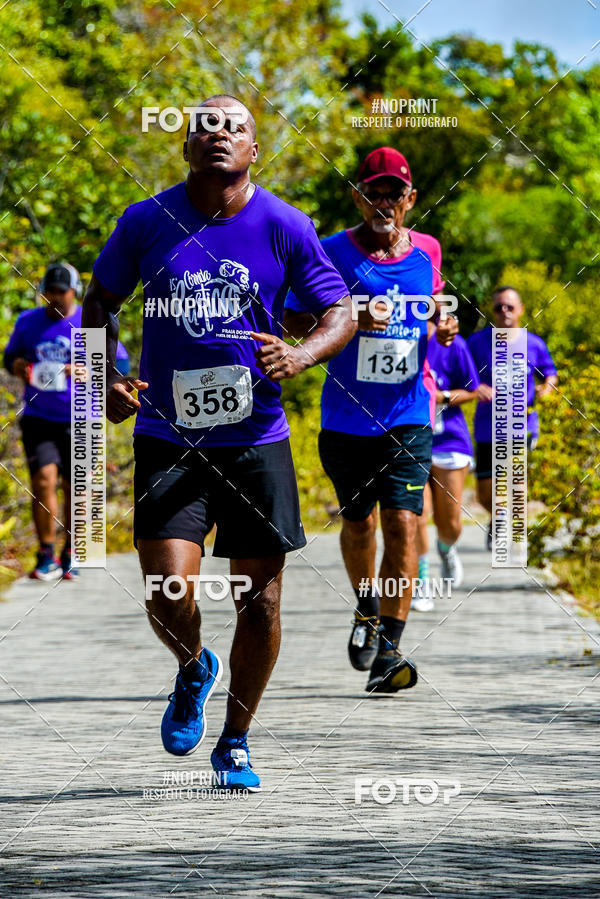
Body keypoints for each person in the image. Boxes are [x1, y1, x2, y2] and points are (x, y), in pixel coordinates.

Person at [82, 95, 354, 791]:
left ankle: (235, 739)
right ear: (185, 146)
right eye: (204, 125)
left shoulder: (285, 225)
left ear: (253, 151)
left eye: (234, 127)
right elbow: (97, 304)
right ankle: (194, 663)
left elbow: (339, 309)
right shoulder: (146, 221)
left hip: (256, 438)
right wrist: (108, 376)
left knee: (259, 599)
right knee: (169, 587)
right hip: (167, 436)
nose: (218, 135)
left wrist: (301, 355)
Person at [286, 146, 457, 693]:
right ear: (358, 195)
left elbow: (433, 303)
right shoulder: (332, 250)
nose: (383, 202)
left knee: (403, 524)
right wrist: (353, 314)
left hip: (410, 412)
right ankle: (365, 604)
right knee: (358, 526)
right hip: (346, 418)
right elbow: (289, 314)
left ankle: (391, 647)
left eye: (394, 193)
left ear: (410, 200)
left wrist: (444, 323)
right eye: (373, 192)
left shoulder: (426, 249)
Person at [3, 262, 129, 581]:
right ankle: (46, 554)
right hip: (39, 416)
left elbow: (121, 362)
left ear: (74, 292)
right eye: (49, 292)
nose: (55, 298)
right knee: (43, 481)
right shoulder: (28, 321)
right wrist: (18, 365)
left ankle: (73, 551)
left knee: (77, 487)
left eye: (62, 292)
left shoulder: (88, 322)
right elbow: (10, 358)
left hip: (81, 416)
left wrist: (91, 369)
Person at [467, 286, 557, 549]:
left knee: (515, 479)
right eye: (498, 307)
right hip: (487, 426)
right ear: (492, 311)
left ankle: (513, 530)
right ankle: (498, 517)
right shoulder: (477, 342)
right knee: (485, 491)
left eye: (509, 306)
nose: (504, 312)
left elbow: (550, 373)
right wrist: (476, 387)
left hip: (522, 425)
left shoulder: (534, 343)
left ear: (520, 310)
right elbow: (462, 372)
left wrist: (547, 388)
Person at [413, 323, 479, 610]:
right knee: (416, 514)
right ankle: (421, 583)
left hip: (449, 440)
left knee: (449, 524)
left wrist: (440, 397)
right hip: (410, 438)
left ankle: (446, 548)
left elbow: (473, 390)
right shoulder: (398, 335)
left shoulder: (454, 343)